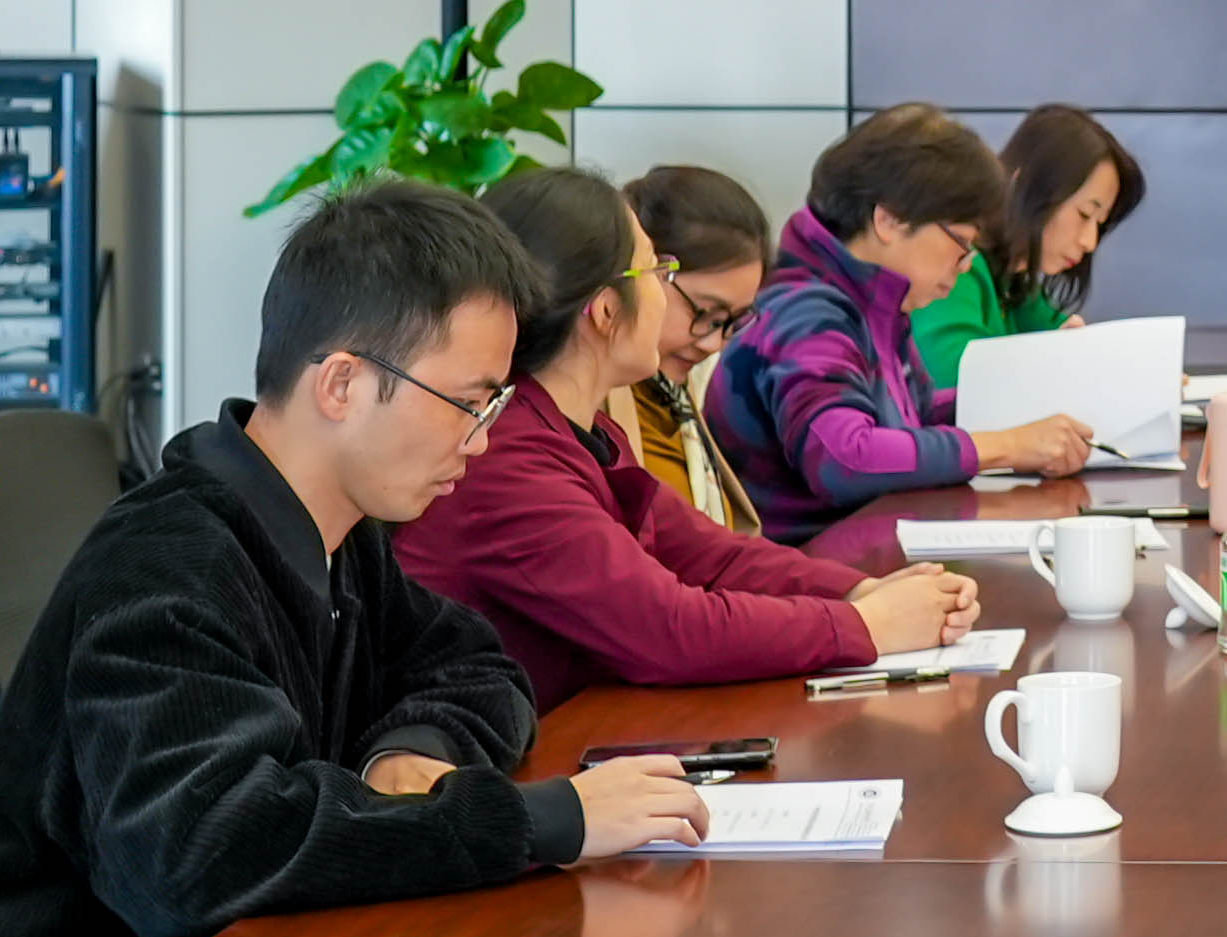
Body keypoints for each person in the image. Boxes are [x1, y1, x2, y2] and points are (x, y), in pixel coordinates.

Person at [0, 183, 706, 937]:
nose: (479, 440)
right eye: (468, 402)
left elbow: (479, 667)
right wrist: (538, 821)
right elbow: (203, 856)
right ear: (342, 383)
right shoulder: (168, 570)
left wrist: (411, 752)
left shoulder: (338, 534)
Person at [401, 167, 984, 701]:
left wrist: (861, 592)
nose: (663, 291)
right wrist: (866, 625)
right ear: (605, 310)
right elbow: (668, 629)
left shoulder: (581, 427)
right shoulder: (506, 457)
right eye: (658, 271)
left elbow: (710, 556)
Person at [705, 106, 1095, 531]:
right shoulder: (805, 312)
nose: (966, 264)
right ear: (889, 220)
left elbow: (916, 418)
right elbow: (845, 458)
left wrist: (1025, 407)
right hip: (809, 559)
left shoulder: (875, 304)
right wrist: (1008, 445)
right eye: (962, 242)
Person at [619, 163, 785, 531]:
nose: (713, 343)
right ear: (645, 274)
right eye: (705, 313)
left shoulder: (670, 392)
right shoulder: (594, 407)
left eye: (731, 321)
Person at [917, 105, 1146, 359]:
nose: (1090, 242)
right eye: (1084, 214)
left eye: (1100, 224)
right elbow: (961, 374)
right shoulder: (956, 267)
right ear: (1027, 185)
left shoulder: (1017, 286)